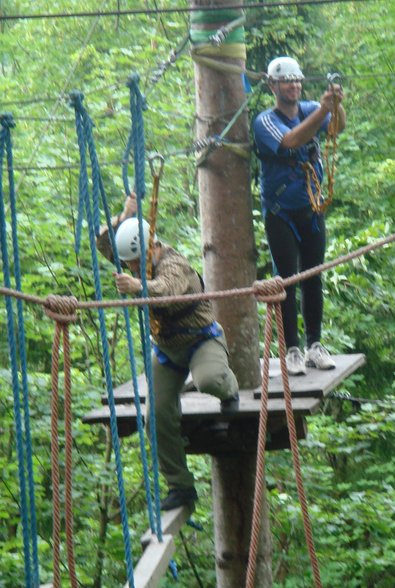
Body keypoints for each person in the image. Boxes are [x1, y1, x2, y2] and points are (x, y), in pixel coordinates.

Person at [97, 194, 239, 510]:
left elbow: (167, 292)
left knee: (210, 381)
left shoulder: (175, 263)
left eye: (134, 262)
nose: (130, 268)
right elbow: (103, 244)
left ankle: (230, 390)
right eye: (128, 264)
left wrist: (138, 286)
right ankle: (181, 486)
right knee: (156, 417)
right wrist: (123, 215)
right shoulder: (135, 258)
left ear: (150, 248)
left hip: (202, 340)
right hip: (167, 351)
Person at [253, 56, 346, 376]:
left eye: (296, 80)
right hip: (280, 212)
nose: (293, 85)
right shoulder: (265, 120)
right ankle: (291, 349)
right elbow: (290, 140)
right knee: (287, 281)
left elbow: (336, 128)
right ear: (272, 85)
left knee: (313, 277)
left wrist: (335, 105)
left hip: (311, 208)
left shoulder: (309, 109)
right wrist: (323, 109)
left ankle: (314, 345)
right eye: (286, 81)